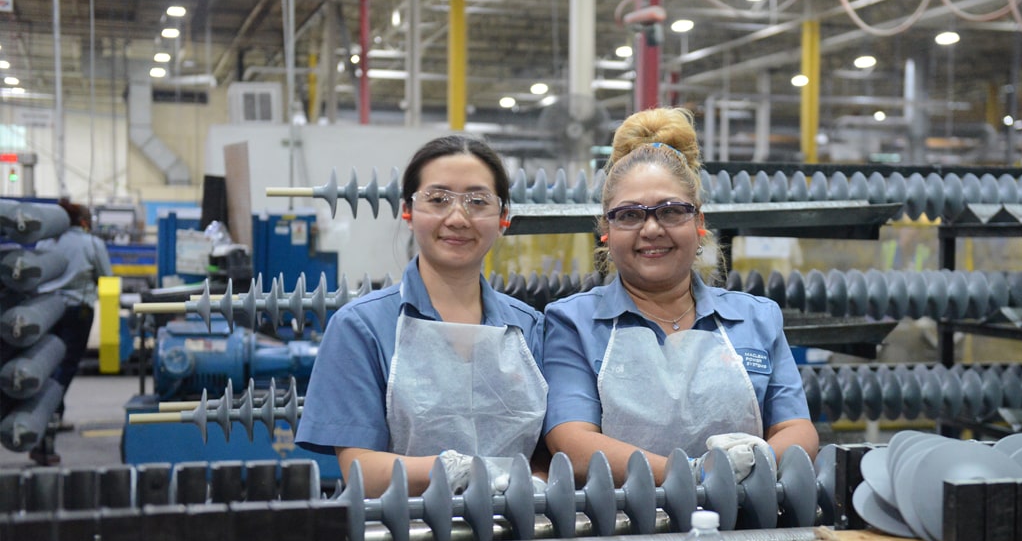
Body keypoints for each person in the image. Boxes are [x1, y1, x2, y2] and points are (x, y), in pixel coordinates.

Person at [541, 107, 818, 486]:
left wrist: (757, 460)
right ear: (607, 229)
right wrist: (693, 475)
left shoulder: (756, 318)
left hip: (745, 529)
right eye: (630, 215)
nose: (652, 229)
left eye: (671, 211)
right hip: (618, 534)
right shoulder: (572, 322)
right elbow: (571, 442)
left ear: (699, 223)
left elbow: (798, 429)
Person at [295, 135, 548, 498]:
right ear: (408, 212)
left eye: (478, 202)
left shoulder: (528, 328)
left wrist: (535, 483)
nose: (458, 218)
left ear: (503, 218)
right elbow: (362, 470)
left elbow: (547, 450)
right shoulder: (361, 327)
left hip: (516, 536)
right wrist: (454, 470)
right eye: (438, 199)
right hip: (400, 540)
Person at [36, 199, 114, 426]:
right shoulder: (91, 243)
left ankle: (50, 411)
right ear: (83, 222)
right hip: (77, 310)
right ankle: (50, 413)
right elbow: (106, 278)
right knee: (67, 364)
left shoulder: (44, 243)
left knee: (47, 363)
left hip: (46, 311)